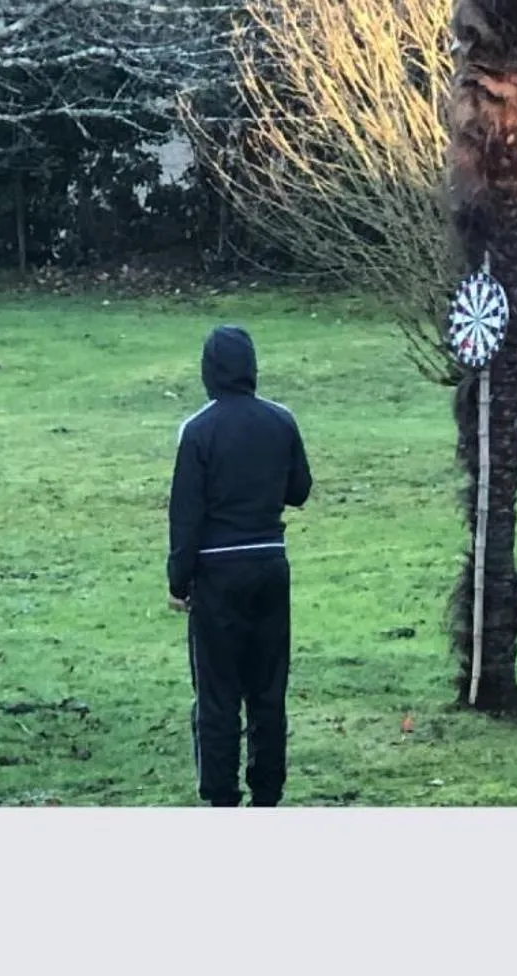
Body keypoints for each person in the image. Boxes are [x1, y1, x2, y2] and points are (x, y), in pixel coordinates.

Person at [167, 325, 312, 807]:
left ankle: (221, 794)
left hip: (216, 571)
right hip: (271, 563)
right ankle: (268, 790)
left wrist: (178, 579)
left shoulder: (197, 429)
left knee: (218, 690)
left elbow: (185, 514)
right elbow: (300, 490)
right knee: (268, 687)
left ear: (209, 371)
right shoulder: (281, 419)